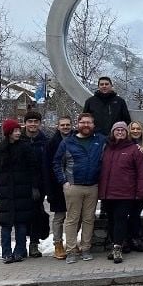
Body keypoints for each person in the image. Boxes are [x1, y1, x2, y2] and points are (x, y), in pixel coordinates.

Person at [54, 113, 105, 264]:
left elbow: (118, 141)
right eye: (83, 122)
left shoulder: (100, 140)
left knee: (89, 219)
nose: (86, 125)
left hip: (92, 186)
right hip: (73, 186)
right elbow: (57, 163)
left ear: (93, 125)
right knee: (72, 219)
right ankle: (70, 250)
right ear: (78, 124)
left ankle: (86, 248)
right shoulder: (68, 142)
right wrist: (63, 181)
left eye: (89, 122)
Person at [98, 122, 143, 264]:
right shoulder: (106, 148)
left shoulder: (133, 149)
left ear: (127, 133)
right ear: (113, 132)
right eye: (117, 130)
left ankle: (118, 247)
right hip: (108, 193)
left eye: (123, 130)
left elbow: (141, 173)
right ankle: (114, 245)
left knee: (120, 220)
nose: (120, 132)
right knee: (111, 221)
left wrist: (140, 192)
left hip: (125, 193)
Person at [0, 119, 40, 264]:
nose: (18, 133)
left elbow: (33, 169)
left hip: (22, 190)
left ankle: (20, 251)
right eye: (15, 131)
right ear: (8, 133)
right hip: (5, 191)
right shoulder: (0, 149)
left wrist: (34, 187)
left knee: (21, 223)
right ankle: (6, 252)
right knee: (5, 224)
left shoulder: (25, 148)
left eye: (19, 130)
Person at [20, 110, 49, 258]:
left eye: (35, 121)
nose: (32, 124)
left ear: (39, 123)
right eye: (30, 121)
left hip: (39, 184)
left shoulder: (44, 141)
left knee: (36, 214)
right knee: (21, 215)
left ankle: (34, 243)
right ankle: (20, 244)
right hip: (21, 184)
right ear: (25, 123)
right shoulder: (18, 139)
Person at [44, 116, 74, 260]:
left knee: (74, 217)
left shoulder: (77, 139)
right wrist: (49, 190)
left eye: (68, 125)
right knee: (59, 217)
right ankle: (58, 244)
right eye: (63, 125)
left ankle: (72, 243)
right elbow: (48, 167)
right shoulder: (51, 143)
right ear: (58, 126)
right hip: (57, 186)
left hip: (74, 184)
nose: (65, 127)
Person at [126, 121, 143, 252]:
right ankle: (126, 240)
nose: (135, 131)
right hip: (127, 186)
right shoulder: (124, 145)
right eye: (133, 129)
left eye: (138, 129)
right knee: (126, 214)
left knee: (135, 214)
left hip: (142, 186)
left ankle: (135, 239)